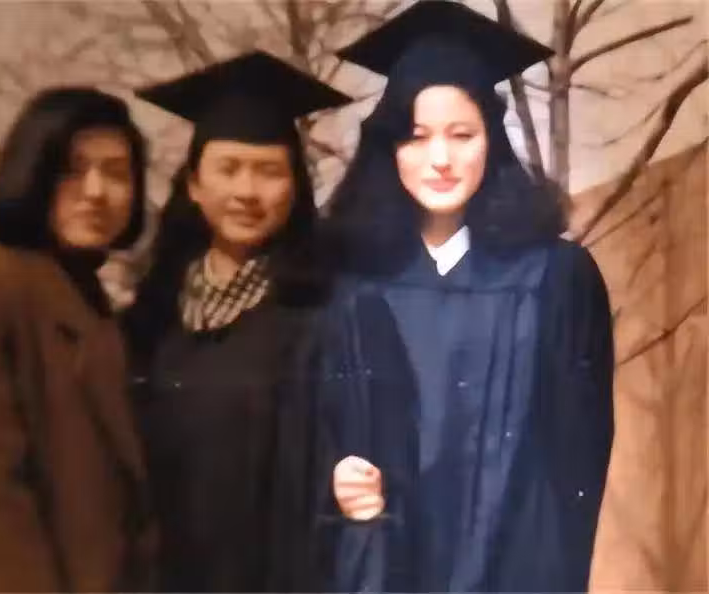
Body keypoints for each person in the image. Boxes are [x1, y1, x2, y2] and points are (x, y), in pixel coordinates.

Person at [276, 2, 615, 591]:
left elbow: (579, 459)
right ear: (389, 148)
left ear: (492, 142)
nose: (440, 159)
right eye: (416, 137)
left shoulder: (554, 279)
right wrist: (339, 481)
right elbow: (319, 438)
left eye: (462, 135)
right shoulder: (350, 289)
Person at [0, 87, 156, 592]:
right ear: (32, 172)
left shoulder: (93, 307)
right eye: (71, 169)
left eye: (117, 173)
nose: (96, 191)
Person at [123, 51, 351, 592]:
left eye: (270, 171)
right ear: (194, 185)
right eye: (228, 169)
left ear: (295, 189)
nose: (247, 192)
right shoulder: (146, 325)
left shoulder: (324, 321)